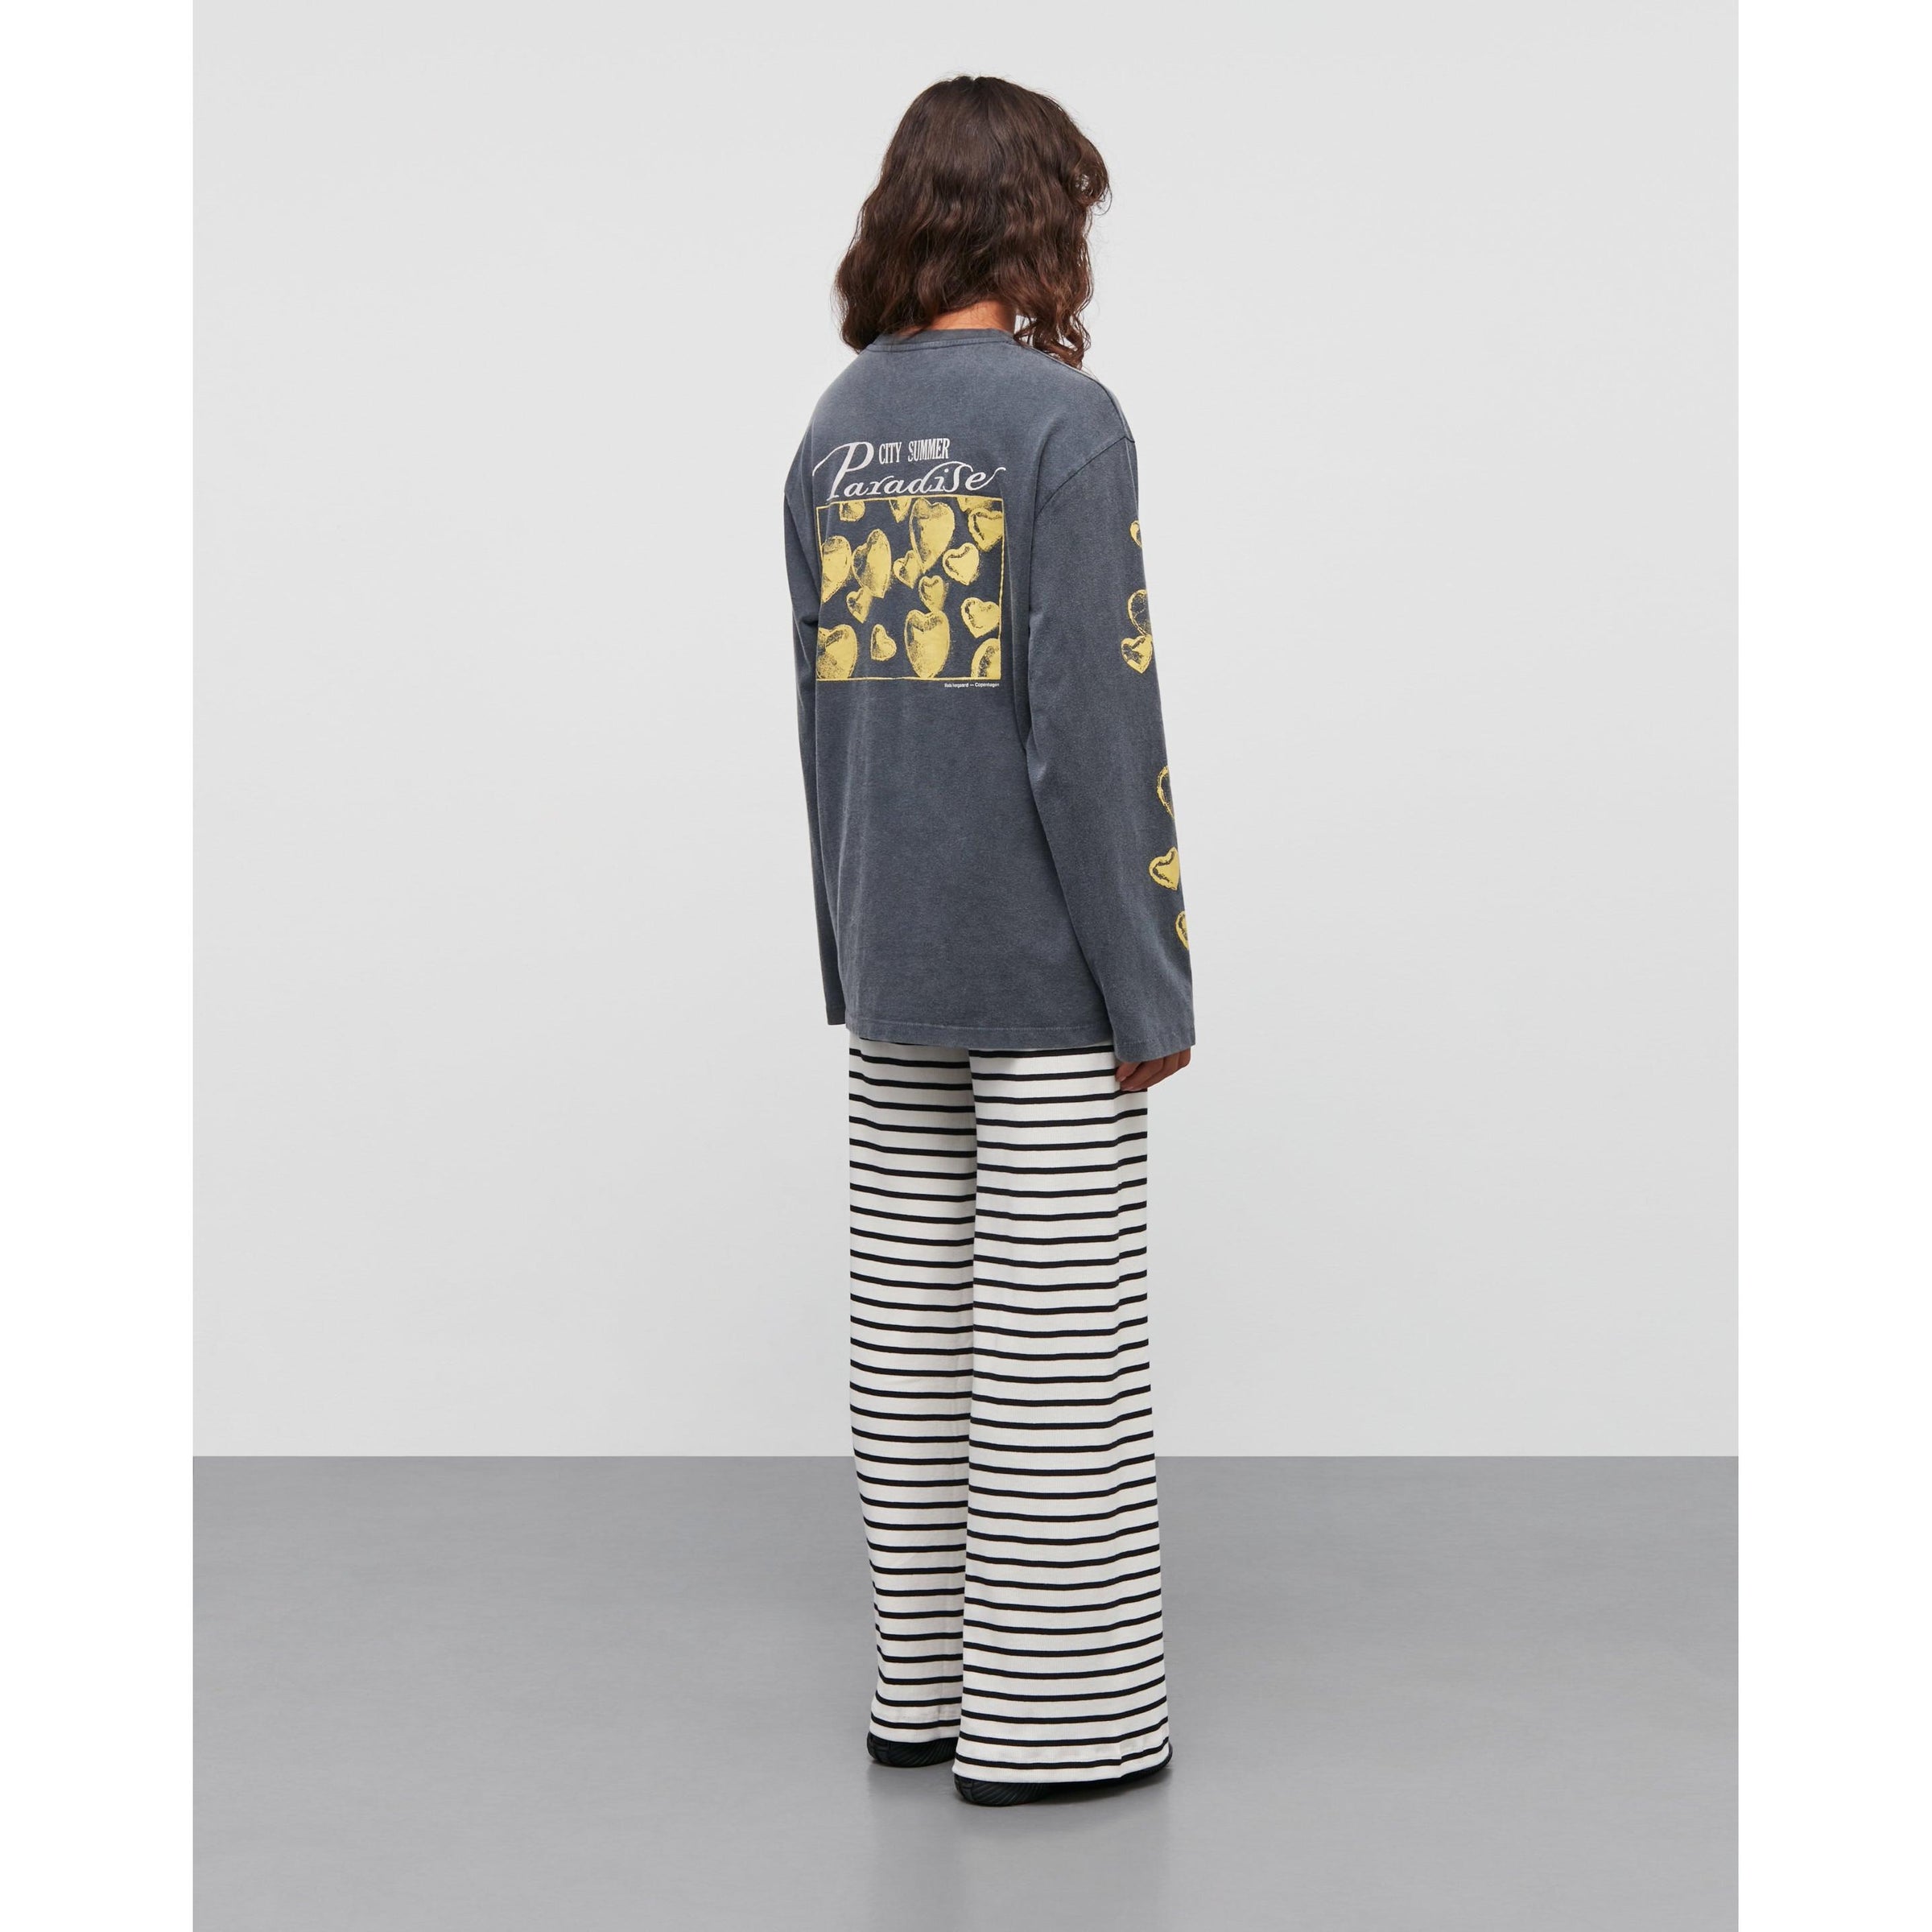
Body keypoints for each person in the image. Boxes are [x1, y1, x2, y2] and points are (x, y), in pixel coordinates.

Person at [783, 75, 1193, 1807]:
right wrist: (1150, 981)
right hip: (1041, 970)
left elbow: (825, 721)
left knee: (913, 1334)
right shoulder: (1059, 426)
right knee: (1055, 1347)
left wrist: (850, 949)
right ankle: (1054, 1724)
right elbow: (1092, 733)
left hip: (897, 957)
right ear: (1036, 223)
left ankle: (924, 1693)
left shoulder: (835, 427)